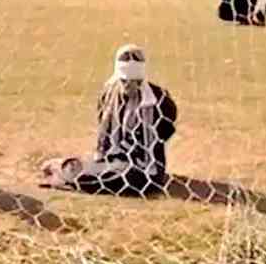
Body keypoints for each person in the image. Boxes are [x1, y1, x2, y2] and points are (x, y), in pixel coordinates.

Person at [40, 45, 177, 196]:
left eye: (135, 81)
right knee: (97, 170)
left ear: (142, 80)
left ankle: (64, 174)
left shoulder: (159, 100)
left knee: (127, 177)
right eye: (124, 81)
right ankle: (68, 169)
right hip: (113, 159)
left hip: (143, 168)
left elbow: (166, 132)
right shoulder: (108, 95)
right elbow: (104, 132)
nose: (129, 86)